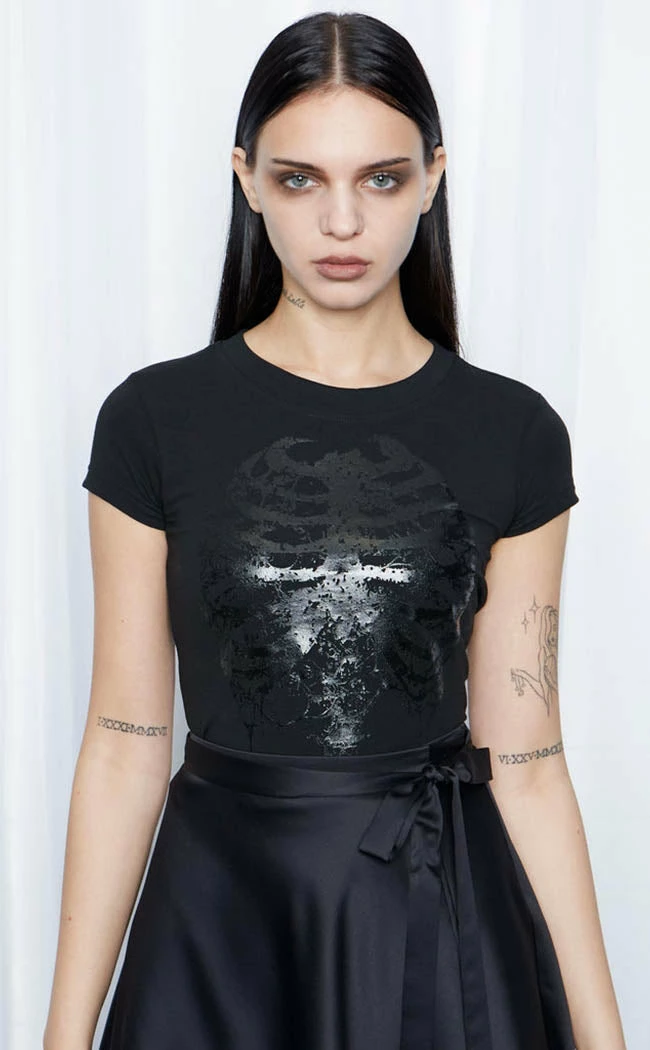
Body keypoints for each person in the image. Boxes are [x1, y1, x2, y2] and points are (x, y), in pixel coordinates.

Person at [44, 11, 627, 1050]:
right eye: (301, 178)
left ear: (433, 177)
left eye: (382, 178)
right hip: (220, 919)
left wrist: (603, 1034)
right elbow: (125, 744)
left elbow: (528, 759)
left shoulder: (512, 432)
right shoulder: (153, 421)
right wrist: (62, 1034)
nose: (342, 222)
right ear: (247, 178)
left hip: (435, 905)